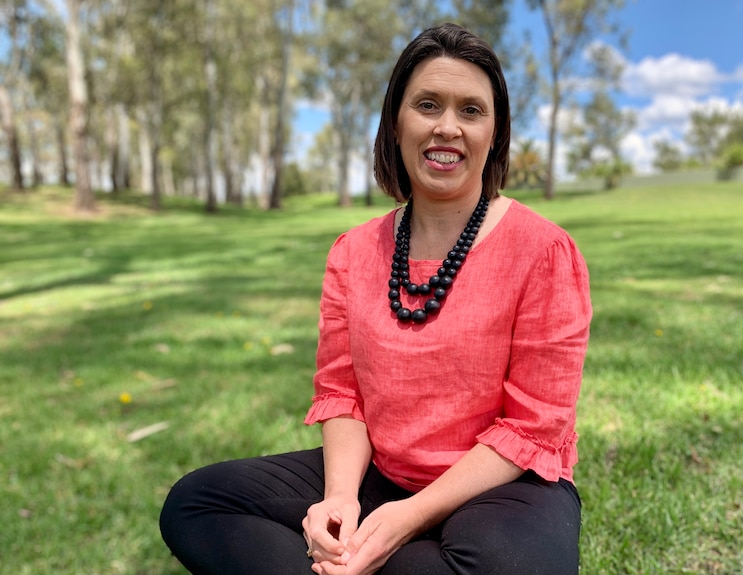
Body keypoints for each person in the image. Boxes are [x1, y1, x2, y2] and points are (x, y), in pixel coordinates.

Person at [160, 23, 591, 575]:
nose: (447, 128)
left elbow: (534, 427)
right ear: (395, 122)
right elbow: (341, 392)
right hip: (378, 473)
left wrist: (407, 518)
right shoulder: (354, 251)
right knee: (199, 502)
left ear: (495, 131)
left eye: (471, 110)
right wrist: (340, 500)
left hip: (501, 483)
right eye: (428, 105)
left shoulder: (544, 250)